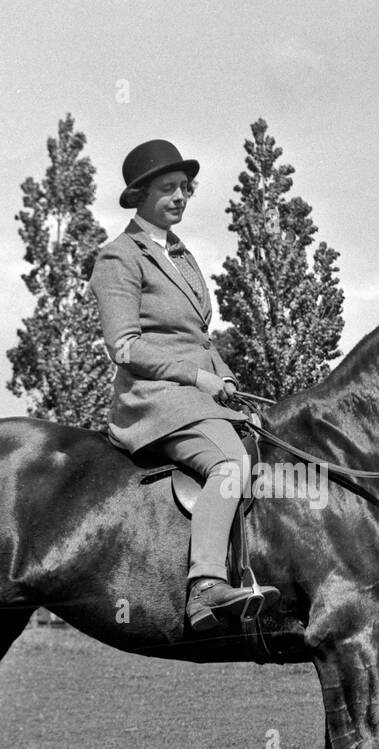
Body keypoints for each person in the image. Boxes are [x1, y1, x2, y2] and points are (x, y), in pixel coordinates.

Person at [89, 139, 279, 632]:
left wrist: (229, 384)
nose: (180, 197)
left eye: (185, 189)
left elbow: (199, 338)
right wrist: (197, 377)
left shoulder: (183, 256)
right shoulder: (118, 257)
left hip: (199, 394)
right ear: (140, 195)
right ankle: (206, 588)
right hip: (153, 400)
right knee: (230, 463)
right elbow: (125, 347)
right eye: (168, 188)